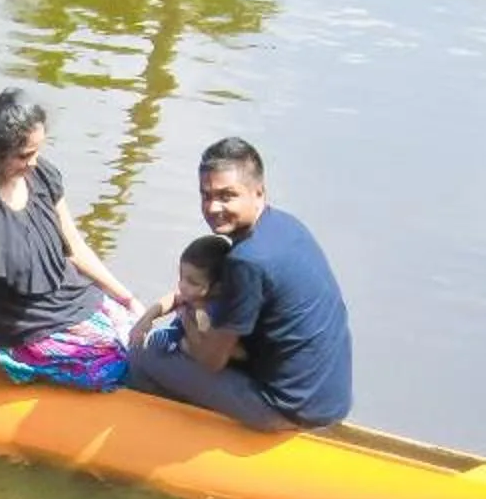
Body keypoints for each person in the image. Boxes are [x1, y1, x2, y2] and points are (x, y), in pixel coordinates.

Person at [127, 138, 352, 430]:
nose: (213, 207)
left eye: (227, 195)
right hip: (330, 398)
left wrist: (185, 328)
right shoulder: (285, 225)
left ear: (258, 193)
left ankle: (161, 436)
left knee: (146, 357)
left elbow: (211, 361)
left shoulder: (246, 261)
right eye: (206, 195)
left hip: (285, 409)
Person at [0, 86, 141, 390]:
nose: (34, 162)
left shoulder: (42, 177)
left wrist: (126, 297)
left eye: (38, 151)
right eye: (25, 155)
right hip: (20, 328)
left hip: (72, 301)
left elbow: (75, 248)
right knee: (119, 368)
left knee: (144, 345)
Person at [128, 234, 232, 362]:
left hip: (193, 354)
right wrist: (146, 319)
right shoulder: (193, 296)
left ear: (217, 288)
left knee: (145, 352)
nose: (182, 286)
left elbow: (201, 343)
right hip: (178, 339)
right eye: (181, 277)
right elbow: (171, 299)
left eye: (193, 283)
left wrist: (185, 318)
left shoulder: (209, 311)